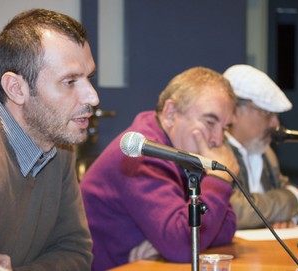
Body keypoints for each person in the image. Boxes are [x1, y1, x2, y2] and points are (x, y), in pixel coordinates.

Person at [0, 9, 99, 270]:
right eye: (70, 81)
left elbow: (75, 251)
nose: (92, 97)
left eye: (89, 78)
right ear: (16, 89)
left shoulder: (57, 142)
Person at [81, 66, 239, 271]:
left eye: (225, 128)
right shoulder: (142, 155)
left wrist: (168, 243)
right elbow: (183, 244)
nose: (218, 139)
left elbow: (225, 227)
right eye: (210, 122)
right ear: (171, 113)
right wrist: (219, 180)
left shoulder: (181, 150)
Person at [223, 64, 298, 229]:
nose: (275, 123)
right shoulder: (215, 151)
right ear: (233, 110)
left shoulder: (266, 151)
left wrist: (293, 217)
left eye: (276, 115)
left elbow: (286, 187)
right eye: (267, 113)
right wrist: (294, 200)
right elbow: (236, 210)